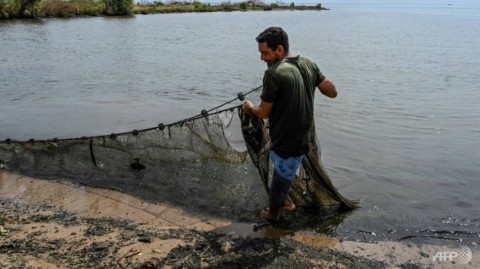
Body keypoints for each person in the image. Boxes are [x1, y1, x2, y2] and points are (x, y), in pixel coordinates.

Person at [242, 26, 337, 221]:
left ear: (279, 50)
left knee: (277, 184)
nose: (262, 58)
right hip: (304, 139)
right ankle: (286, 201)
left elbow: (263, 113)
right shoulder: (308, 63)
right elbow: (332, 92)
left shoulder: (273, 74)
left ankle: (274, 214)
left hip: (288, 142)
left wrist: (249, 107)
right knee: (278, 170)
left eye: (265, 53)